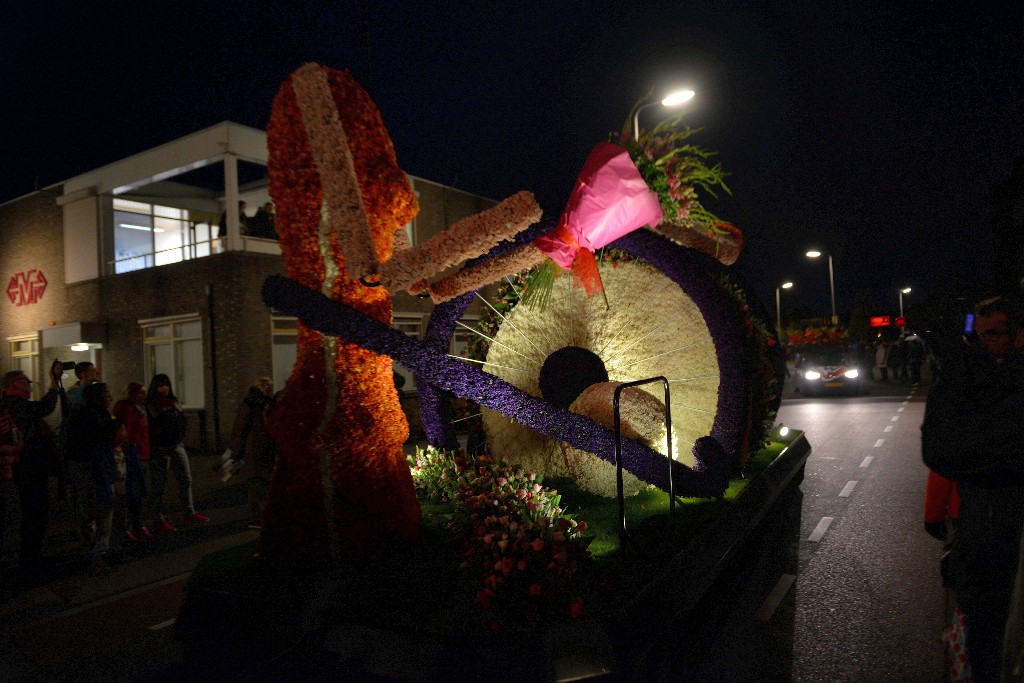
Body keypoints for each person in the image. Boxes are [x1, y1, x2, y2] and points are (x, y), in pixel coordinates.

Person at [922, 294, 1024, 682]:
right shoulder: (968, 379)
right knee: (983, 628)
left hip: (1003, 531)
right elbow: (942, 453)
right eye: (979, 335)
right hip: (981, 534)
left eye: (995, 334)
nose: (984, 343)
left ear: (1019, 335)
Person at [1, 365, 63, 587]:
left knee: (35, 514)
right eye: (25, 380)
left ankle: (31, 560)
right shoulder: (14, 404)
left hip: (29, 466)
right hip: (27, 467)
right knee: (34, 514)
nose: (29, 384)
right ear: (13, 384)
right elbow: (43, 408)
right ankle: (29, 564)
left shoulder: (14, 404)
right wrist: (53, 382)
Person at [64, 382, 121, 575]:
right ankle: (95, 554)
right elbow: (100, 438)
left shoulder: (81, 414)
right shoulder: (93, 416)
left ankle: (91, 551)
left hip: (87, 467)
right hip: (91, 468)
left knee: (90, 509)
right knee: (99, 508)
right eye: (107, 395)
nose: (110, 398)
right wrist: (115, 427)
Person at [146, 374, 208, 532]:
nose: (164, 389)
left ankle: (189, 512)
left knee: (185, 479)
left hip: (176, 444)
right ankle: (157, 519)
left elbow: (181, 420)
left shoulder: (173, 401)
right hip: (160, 447)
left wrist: (179, 433)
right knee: (159, 484)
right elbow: (157, 423)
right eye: (161, 385)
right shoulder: (152, 403)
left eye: (166, 385)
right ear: (154, 387)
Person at [224, 377, 276, 527]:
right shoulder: (250, 404)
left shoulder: (267, 404)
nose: (266, 387)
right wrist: (236, 451)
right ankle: (254, 518)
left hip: (265, 450)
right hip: (253, 450)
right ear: (256, 386)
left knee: (263, 484)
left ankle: (261, 516)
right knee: (255, 484)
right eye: (263, 384)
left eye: (268, 385)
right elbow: (239, 429)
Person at [112, 382, 152, 542]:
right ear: (133, 394)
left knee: (138, 494)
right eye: (141, 393)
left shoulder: (140, 409)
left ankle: (137, 524)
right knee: (129, 494)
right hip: (133, 456)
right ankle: (126, 527)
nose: (144, 396)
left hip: (142, 454)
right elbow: (125, 433)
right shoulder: (127, 409)